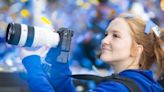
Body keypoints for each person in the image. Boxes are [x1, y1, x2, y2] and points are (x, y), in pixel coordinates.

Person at [21, 13, 164, 92]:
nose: (104, 41)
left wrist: (33, 67)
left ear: (136, 49)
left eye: (115, 36)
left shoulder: (116, 89)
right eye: (106, 34)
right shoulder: (146, 84)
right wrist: (59, 61)